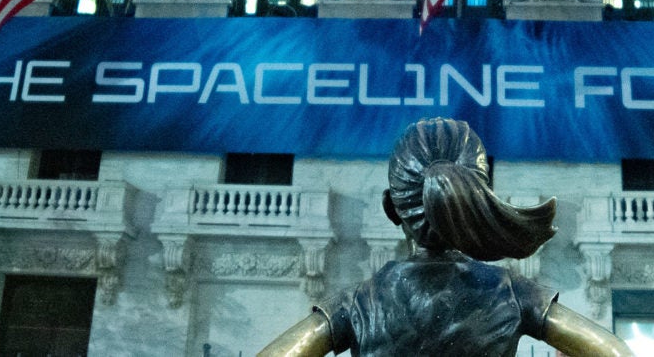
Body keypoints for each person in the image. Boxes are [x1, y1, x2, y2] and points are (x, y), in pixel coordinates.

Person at [257, 118, 634, 357]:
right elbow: (615, 353)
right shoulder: (513, 294)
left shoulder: (357, 303)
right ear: (477, 202)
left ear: (392, 209)